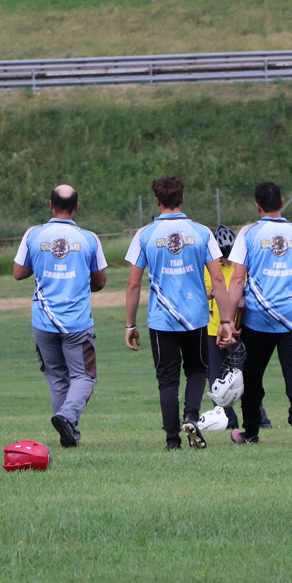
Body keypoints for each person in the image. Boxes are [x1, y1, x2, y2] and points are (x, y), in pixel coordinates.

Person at [124, 175, 225, 451]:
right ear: (182, 198)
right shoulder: (202, 232)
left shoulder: (145, 235)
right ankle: (191, 416)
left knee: (167, 381)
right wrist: (226, 320)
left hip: (161, 321)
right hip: (196, 318)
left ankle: (172, 441)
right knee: (197, 370)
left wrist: (130, 325)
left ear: (157, 201)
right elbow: (218, 279)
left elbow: (133, 283)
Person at [217, 181, 292, 447]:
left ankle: (251, 431)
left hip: (258, 320)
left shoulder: (249, 233)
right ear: (282, 202)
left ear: (257, 206)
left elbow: (237, 279)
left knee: (252, 377)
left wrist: (228, 320)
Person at [13, 184, 107, 449]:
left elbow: (19, 273)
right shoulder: (89, 239)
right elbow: (100, 281)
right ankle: (67, 418)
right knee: (84, 377)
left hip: (43, 320)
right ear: (77, 206)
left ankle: (68, 433)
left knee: (56, 377)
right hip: (77, 321)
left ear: (50, 204)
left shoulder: (33, 234)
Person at [205, 224, 271, 432]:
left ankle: (259, 418)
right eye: (222, 257)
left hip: (240, 328)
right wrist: (212, 293)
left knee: (246, 377)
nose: (227, 260)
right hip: (213, 330)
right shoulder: (207, 267)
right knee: (215, 377)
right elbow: (198, 292)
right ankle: (226, 419)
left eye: (229, 256)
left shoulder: (243, 264)